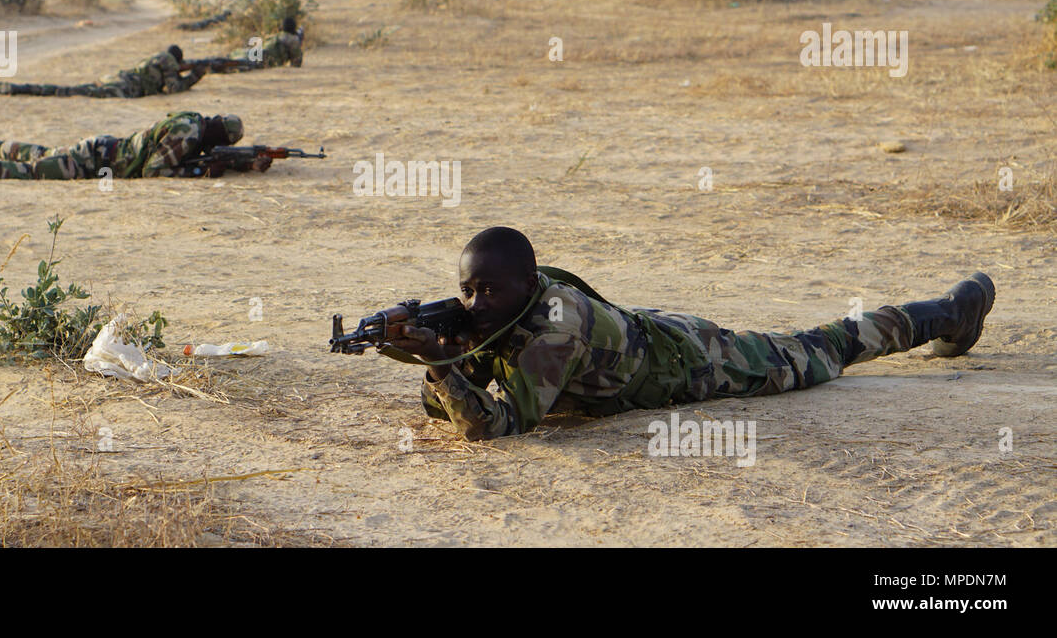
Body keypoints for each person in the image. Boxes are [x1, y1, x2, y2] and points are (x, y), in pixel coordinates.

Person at [386, 227, 996, 441]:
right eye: (467, 291)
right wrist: (453, 355)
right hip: (648, 336)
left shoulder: (555, 327)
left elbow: (498, 427)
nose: (475, 303)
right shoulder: (511, 313)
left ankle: (946, 313)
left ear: (529, 280)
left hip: (698, 362)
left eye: (489, 290)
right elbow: (444, 410)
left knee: (823, 348)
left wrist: (441, 364)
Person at [0, 112, 273, 180]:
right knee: (28, 171)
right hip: (94, 163)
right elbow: (153, 170)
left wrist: (242, 163)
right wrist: (202, 171)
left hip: (99, 149)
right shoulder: (188, 137)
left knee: (36, 153)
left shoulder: (191, 121)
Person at [0, 45, 200, 97]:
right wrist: (195, 76)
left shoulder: (158, 57)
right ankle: (18, 88)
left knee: (73, 89)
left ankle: (18, 87)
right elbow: (173, 89)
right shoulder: (169, 60)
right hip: (124, 88)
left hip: (118, 78)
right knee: (72, 92)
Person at [224, 16, 303, 68]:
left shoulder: (276, 36)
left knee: (232, 60)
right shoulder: (292, 39)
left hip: (254, 52)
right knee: (238, 65)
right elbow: (296, 63)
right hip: (262, 59)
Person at [177, 0, 254, 31]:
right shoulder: (249, 3)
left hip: (227, 16)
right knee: (210, 21)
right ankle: (192, 26)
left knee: (210, 21)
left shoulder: (246, 2)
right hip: (228, 16)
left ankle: (192, 26)